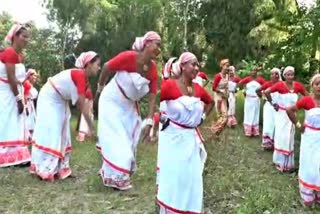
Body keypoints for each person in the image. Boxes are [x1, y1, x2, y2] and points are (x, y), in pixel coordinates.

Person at [95, 31, 161, 190]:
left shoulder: (152, 71)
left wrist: (149, 121)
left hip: (128, 106)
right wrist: (99, 89)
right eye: (157, 44)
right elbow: (106, 67)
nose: (159, 48)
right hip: (111, 100)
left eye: (160, 46)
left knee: (130, 139)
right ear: (146, 43)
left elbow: (152, 97)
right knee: (116, 137)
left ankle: (110, 172)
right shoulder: (128, 57)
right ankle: (118, 178)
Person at [156, 52, 214, 214]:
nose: (196, 68)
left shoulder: (197, 89)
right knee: (175, 176)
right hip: (173, 138)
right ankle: (172, 208)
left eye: (197, 65)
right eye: (193, 64)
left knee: (192, 177)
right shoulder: (169, 86)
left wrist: (201, 118)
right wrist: (160, 118)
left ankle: (189, 208)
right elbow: (154, 102)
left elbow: (211, 102)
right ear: (182, 66)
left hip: (191, 139)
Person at [30, 51, 100, 181]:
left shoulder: (85, 81)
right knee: (53, 130)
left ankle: (62, 168)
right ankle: (45, 168)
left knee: (64, 132)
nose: (99, 67)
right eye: (97, 64)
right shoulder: (79, 74)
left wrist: (90, 128)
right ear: (88, 64)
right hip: (49, 97)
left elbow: (85, 103)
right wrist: (91, 128)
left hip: (60, 99)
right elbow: (81, 105)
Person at [264, 66, 307, 172]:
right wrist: (273, 103)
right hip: (281, 114)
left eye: (292, 74)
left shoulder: (298, 86)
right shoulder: (280, 85)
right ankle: (279, 161)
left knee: (290, 136)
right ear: (284, 76)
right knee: (280, 136)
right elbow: (267, 92)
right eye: (288, 74)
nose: (290, 76)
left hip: (292, 116)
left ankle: (288, 164)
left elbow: (308, 96)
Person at [286, 73, 320, 206]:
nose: (319, 87)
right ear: (312, 86)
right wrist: (299, 125)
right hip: (310, 138)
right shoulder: (307, 100)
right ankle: (307, 194)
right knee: (309, 164)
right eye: (317, 84)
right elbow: (289, 109)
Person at [0, 24, 31, 167]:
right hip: (8, 94)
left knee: (14, 122)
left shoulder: (18, 55)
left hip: (13, 91)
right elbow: (11, 78)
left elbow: (16, 78)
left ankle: (15, 155)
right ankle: (7, 155)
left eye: (28, 37)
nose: (27, 40)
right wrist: (19, 99)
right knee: (8, 122)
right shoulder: (10, 53)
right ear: (15, 37)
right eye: (24, 36)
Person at [256, 68, 281, 150]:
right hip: (269, 107)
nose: (274, 75)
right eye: (272, 74)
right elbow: (257, 90)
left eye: (276, 73)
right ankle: (267, 144)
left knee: (277, 125)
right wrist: (262, 97)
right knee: (268, 124)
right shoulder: (268, 84)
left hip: (278, 108)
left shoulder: (282, 84)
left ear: (279, 75)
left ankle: (276, 144)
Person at [239, 67, 266, 137]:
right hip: (248, 99)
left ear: (257, 72)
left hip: (256, 99)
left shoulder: (260, 79)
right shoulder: (248, 79)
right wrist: (243, 91)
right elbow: (240, 83)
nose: (253, 72)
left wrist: (262, 93)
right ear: (250, 71)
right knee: (248, 114)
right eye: (252, 70)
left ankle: (254, 130)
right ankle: (248, 130)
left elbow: (266, 85)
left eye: (255, 70)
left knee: (255, 114)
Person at [211, 59, 230, 135]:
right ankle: (215, 129)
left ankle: (216, 130)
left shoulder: (227, 76)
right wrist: (220, 91)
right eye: (226, 66)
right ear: (222, 66)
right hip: (219, 97)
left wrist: (227, 93)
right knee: (223, 115)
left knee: (224, 116)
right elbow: (213, 88)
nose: (227, 68)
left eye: (228, 66)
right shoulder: (218, 76)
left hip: (224, 97)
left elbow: (227, 86)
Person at [23, 69, 39, 142]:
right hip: (27, 104)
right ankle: (27, 137)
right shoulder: (27, 84)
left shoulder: (30, 85)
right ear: (29, 76)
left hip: (31, 104)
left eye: (36, 76)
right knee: (28, 120)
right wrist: (25, 107)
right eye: (34, 75)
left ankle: (30, 137)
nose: (35, 77)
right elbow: (25, 96)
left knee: (32, 120)